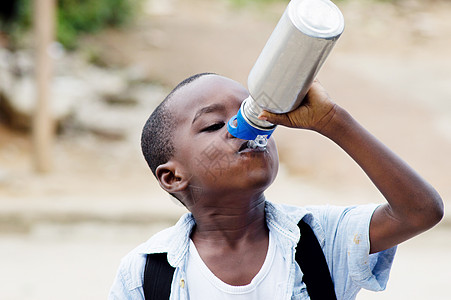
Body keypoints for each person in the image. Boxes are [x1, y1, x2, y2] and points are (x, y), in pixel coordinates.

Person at [109, 73, 443, 299]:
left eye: (253, 116)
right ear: (173, 177)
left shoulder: (322, 240)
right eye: (214, 124)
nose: (245, 129)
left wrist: (331, 121)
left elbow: (420, 211)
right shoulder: (147, 274)